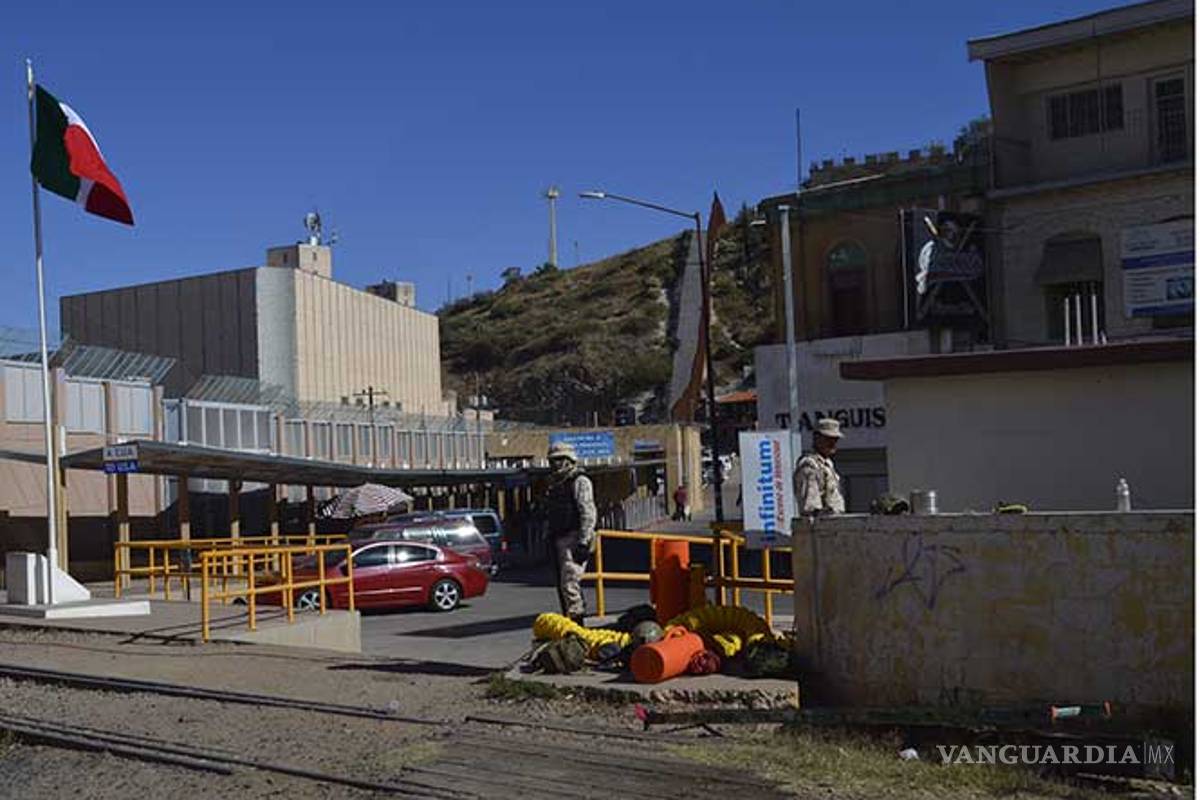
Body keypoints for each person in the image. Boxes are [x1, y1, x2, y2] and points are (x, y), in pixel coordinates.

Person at [542, 441, 596, 623]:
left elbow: (588, 512)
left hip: (573, 537)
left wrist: (584, 542)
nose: (554, 464)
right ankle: (570, 619)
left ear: (568, 460)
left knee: (570, 583)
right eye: (552, 461)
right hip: (559, 538)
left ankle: (577, 623)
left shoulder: (579, 481)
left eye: (558, 460)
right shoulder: (556, 484)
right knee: (562, 585)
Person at [794, 418, 846, 515]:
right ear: (817, 438)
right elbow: (811, 508)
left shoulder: (828, 464)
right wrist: (820, 513)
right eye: (828, 439)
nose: (833, 443)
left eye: (835, 439)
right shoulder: (809, 465)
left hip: (836, 520)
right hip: (821, 522)